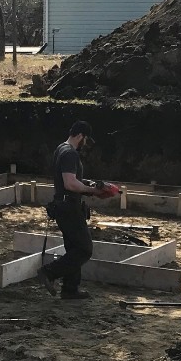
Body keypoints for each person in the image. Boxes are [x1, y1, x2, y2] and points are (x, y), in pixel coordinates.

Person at [37, 121, 112, 300]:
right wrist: (94, 191)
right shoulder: (70, 154)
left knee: (73, 248)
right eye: (85, 139)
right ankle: (48, 272)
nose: (85, 144)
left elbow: (71, 180)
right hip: (69, 207)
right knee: (84, 249)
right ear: (80, 136)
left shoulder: (61, 149)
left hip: (63, 205)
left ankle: (70, 288)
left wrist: (89, 184)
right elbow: (70, 183)